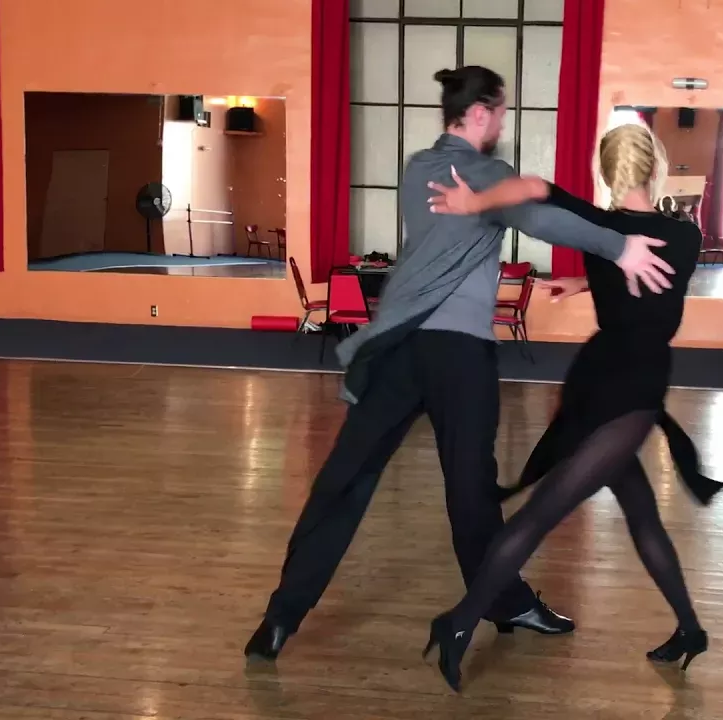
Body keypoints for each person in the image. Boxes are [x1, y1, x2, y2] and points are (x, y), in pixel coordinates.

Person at [243, 66, 676, 661]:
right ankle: (507, 602)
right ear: (479, 113)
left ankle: (279, 618)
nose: (502, 124)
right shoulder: (486, 175)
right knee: (470, 491)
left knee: (344, 478)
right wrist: (620, 245)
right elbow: (541, 217)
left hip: (399, 347)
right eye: (499, 114)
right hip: (458, 354)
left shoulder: (417, 168)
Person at [421, 123, 717, 692]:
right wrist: (587, 284)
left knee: (623, 514)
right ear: (656, 168)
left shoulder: (597, 229)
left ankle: (689, 629)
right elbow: (651, 290)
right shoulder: (686, 234)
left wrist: (474, 202)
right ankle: (459, 623)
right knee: (551, 514)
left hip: (598, 380)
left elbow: (535, 187)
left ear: (605, 172)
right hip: (633, 388)